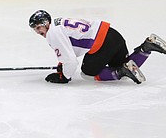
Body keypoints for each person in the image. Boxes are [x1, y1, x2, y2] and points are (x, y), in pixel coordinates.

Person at [29, 10, 166, 84]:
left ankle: (122, 71)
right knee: (123, 66)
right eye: (35, 29)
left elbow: (71, 61)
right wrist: (63, 63)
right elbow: (72, 47)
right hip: (113, 35)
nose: (38, 32)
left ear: (46, 23)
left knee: (87, 74)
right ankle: (147, 47)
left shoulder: (52, 33)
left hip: (101, 45)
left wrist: (64, 76)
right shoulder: (59, 22)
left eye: (38, 27)